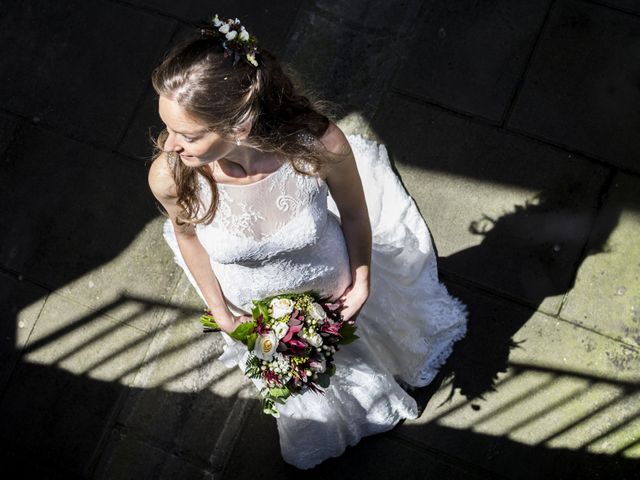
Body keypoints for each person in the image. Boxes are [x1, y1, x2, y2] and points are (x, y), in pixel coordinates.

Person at [147, 15, 467, 470]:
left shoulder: (318, 145)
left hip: (329, 283)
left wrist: (361, 281)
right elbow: (186, 235)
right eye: (168, 126)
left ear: (238, 125)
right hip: (253, 305)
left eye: (189, 135)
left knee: (357, 352)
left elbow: (355, 214)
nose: (170, 145)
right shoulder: (170, 175)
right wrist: (220, 309)